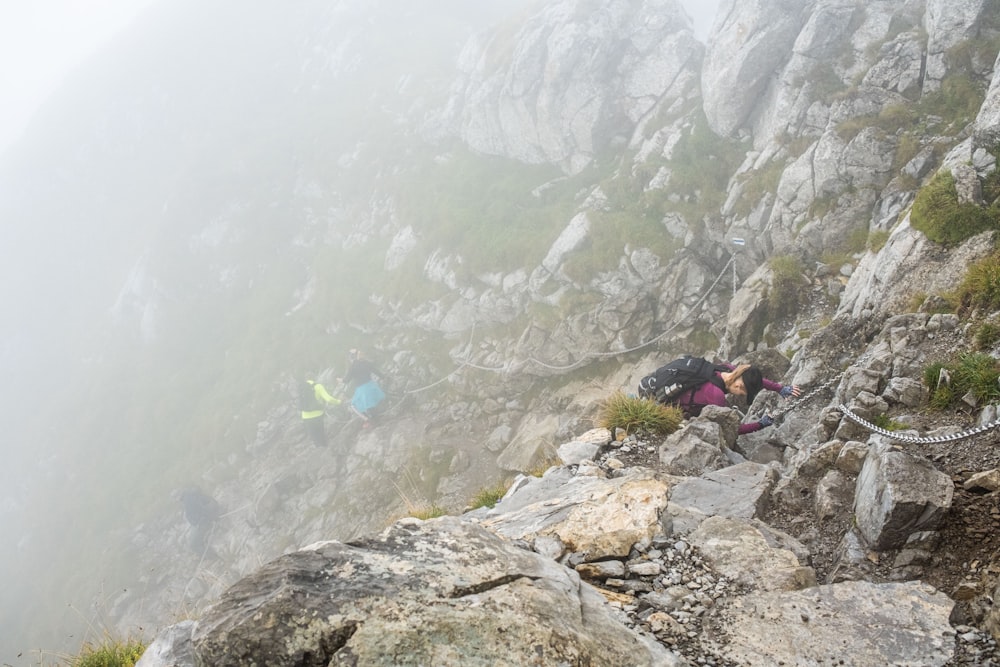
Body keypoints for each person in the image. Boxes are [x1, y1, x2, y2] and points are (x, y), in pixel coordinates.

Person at [674, 363, 801, 435]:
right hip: (674, 407)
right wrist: (760, 424)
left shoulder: (727, 370)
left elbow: (753, 380)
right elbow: (733, 428)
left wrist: (779, 388)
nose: (739, 395)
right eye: (741, 393)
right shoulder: (716, 396)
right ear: (738, 386)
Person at [340, 348, 385, 428]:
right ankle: (376, 419)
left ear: (351, 357)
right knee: (372, 404)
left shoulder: (352, 366)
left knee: (354, 405)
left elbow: (346, 380)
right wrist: (384, 378)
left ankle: (369, 420)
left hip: (362, 389)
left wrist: (340, 380)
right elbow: (377, 371)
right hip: (371, 385)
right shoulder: (366, 363)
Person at [300, 377, 342, 447]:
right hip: (318, 415)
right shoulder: (318, 386)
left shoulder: (301, 387)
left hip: (306, 417)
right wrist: (339, 402)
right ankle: (325, 449)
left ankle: (318, 450)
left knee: (315, 439)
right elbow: (329, 399)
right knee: (321, 435)